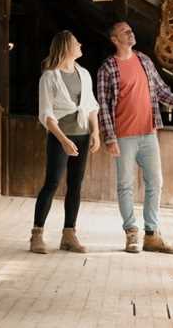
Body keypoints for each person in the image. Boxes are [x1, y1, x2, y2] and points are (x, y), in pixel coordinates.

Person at [97, 22, 173, 254]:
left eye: (130, 29)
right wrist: (109, 137)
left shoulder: (144, 60)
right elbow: (103, 106)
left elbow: (162, 90)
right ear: (115, 39)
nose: (131, 32)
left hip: (148, 133)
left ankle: (152, 235)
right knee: (125, 185)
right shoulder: (108, 68)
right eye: (125, 31)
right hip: (123, 136)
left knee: (155, 183)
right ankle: (131, 234)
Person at [32, 31, 101, 254]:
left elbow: (90, 106)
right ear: (65, 47)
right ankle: (37, 235)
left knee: (75, 185)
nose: (80, 44)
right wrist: (62, 140)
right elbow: (46, 114)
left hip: (82, 136)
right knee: (52, 182)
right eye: (76, 42)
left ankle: (69, 235)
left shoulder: (84, 73)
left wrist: (95, 133)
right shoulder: (49, 77)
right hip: (60, 136)